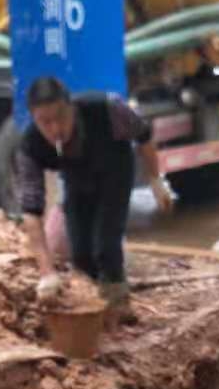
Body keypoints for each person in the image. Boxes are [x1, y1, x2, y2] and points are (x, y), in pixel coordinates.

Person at [16, 76, 173, 305]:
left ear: (71, 107)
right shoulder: (30, 146)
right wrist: (47, 273)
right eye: (45, 122)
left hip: (115, 170)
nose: (55, 128)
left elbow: (144, 136)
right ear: (34, 120)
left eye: (60, 117)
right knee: (80, 252)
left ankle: (118, 305)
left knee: (106, 247)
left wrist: (155, 179)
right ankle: (91, 307)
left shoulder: (108, 108)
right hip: (77, 178)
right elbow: (31, 211)